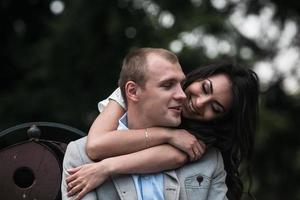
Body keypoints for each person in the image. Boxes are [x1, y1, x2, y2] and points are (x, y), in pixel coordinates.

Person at [62, 48, 259, 200]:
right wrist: (168, 135)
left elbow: (175, 157)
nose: (198, 103)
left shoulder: (200, 148)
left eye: (215, 108)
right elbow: (95, 146)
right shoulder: (133, 89)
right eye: (205, 88)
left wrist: (107, 168)